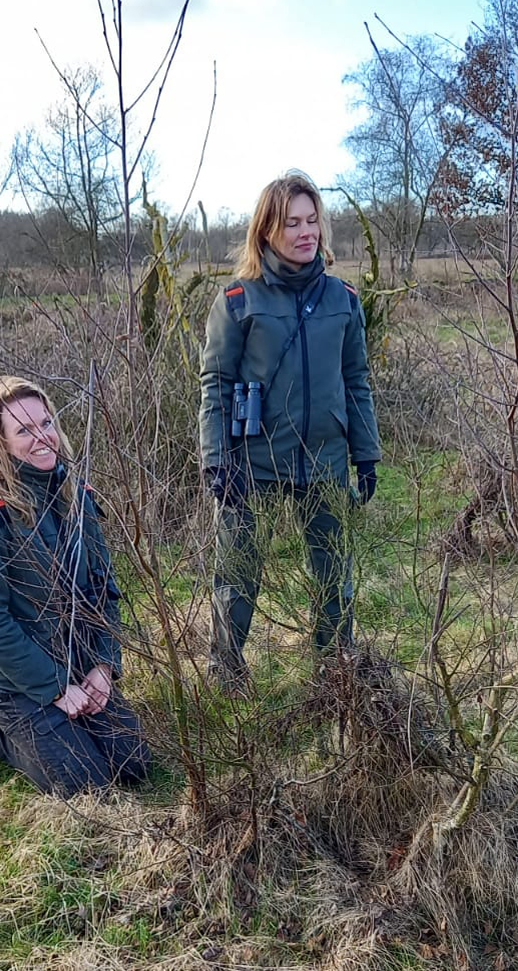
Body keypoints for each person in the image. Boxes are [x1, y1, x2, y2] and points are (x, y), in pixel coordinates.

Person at [199, 171, 381, 689]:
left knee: (333, 573)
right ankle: (225, 671)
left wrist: (365, 454)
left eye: (312, 220)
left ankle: (335, 671)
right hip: (254, 463)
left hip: (325, 457)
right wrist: (217, 460)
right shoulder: (238, 300)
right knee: (237, 571)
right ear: (266, 231)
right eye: (291, 223)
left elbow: (356, 380)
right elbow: (215, 384)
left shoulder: (343, 299)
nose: (306, 233)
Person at [0, 375, 150, 798]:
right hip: (13, 681)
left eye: (46, 423)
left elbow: (105, 591)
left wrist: (104, 667)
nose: (42, 437)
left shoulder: (79, 498)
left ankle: (66, 721)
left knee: (134, 763)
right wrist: (56, 687)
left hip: (79, 663)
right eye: (23, 430)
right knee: (85, 784)